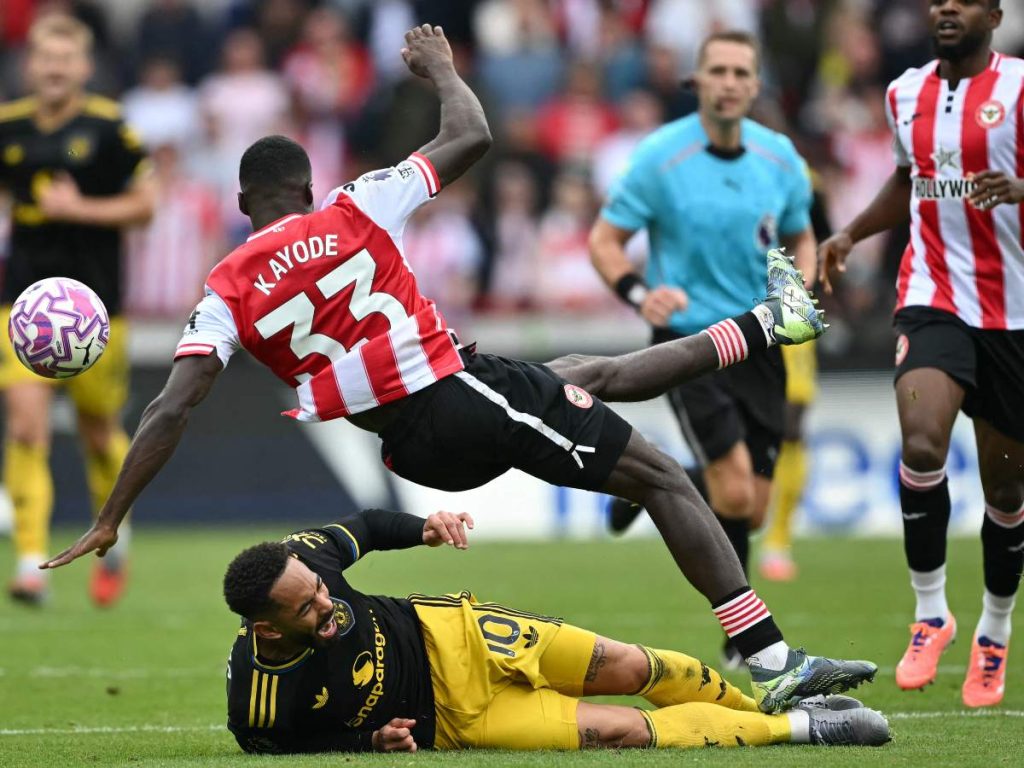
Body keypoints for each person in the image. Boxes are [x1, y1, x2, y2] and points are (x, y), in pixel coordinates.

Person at [43, 25, 872, 714]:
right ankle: (772, 661)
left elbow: (170, 410)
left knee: (585, 372)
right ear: (307, 184)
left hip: (412, 449)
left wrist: (113, 516)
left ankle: (771, 321)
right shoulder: (355, 203)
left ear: (241, 204)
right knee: (662, 480)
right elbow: (472, 135)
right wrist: (441, 66)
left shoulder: (221, 291)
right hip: (456, 395)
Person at [223, 507, 891, 753]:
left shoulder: (304, 556)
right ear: (266, 629)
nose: (326, 604)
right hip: (456, 720)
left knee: (633, 667)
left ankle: (767, 703)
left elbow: (365, 527)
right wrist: (367, 740)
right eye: (307, 609)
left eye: (319, 588)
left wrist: (422, 527)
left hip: (461, 633)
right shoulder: (257, 697)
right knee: (627, 731)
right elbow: (278, 743)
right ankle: (809, 728)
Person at [589, 30, 819, 667]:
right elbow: (605, 241)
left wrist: (799, 284)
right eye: (716, 69)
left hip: (762, 339)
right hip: (688, 345)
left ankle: (652, 484)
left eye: (740, 71)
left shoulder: (780, 159)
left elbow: (802, 236)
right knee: (739, 493)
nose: (728, 81)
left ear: (754, 83)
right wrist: (640, 294)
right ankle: (745, 641)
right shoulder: (661, 156)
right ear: (697, 80)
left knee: (754, 501)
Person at [818, 0, 1022, 708]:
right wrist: (849, 233)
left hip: (1015, 315)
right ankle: (931, 612)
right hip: (932, 294)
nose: (944, 8)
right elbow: (909, 180)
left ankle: (994, 629)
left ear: (994, 15)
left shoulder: (1020, 88)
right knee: (924, 440)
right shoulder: (904, 91)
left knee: (1005, 491)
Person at [0, 14, 155, 606]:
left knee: (96, 432)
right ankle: (29, 564)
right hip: (22, 305)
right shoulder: (8, 128)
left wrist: (77, 208)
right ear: (30, 65)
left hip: (96, 312)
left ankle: (115, 534)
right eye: (45, 56)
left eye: (66, 58)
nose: (55, 67)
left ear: (84, 68)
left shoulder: (109, 128)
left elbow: (147, 205)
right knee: (24, 426)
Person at [759, 169, 835, 583]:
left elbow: (822, 234)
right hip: (729, 304)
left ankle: (778, 541)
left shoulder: (799, 174)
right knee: (727, 423)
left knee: (792, 422)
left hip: (789, 304)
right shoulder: (706, 163)